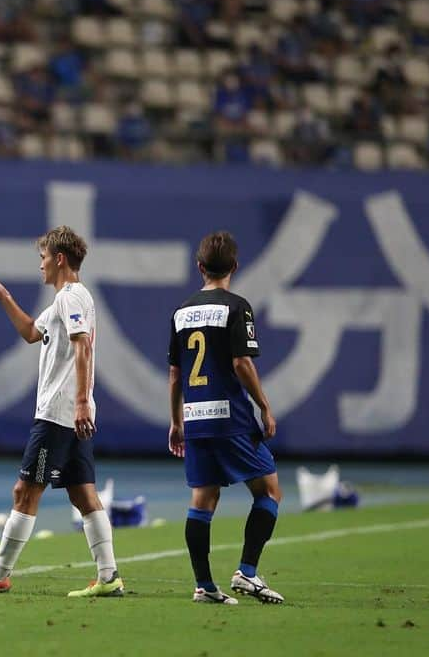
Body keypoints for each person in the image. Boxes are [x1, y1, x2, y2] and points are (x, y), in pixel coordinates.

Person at [0, 226, 123, 598]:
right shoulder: (67, 299)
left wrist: (79, 401)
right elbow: (32, 331)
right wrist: (4, 297)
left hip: (59, 413)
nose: (41, 265)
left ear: (59, 259)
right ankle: (108, 576)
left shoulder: (71, 297)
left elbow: (83, 348)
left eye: (43, 257)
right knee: (84, 494)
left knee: (25, 491)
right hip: (71, 413)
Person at [167, 231, 284, 605]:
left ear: (199, 267)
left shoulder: (181, 313)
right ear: (235, 266)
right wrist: (264, 405)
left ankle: (204, 585)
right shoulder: (237, 307)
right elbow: (241, 362)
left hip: (196, 416)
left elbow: (174, 375)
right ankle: (247, 573)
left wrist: (176, 421)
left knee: (202, 499)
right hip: (230, 416)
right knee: (268, 491)